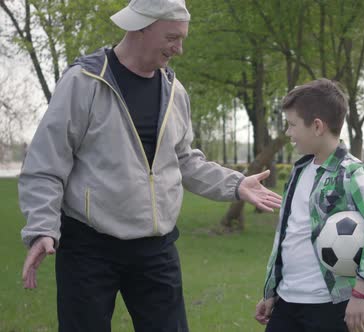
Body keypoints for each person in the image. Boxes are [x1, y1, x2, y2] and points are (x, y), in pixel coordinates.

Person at [18, 0, 282, 331]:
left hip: (155, 250)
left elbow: (185, 160)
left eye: (182, 38)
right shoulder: (84, 81)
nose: (180, 49)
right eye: (173, 37)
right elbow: (45, 163)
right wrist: (42, 227)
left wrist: (235, 185)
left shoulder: (175, 91)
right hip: (88, 247)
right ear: (141, 26)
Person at [254, 79, 364, 332]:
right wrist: (272, 290)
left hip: (329, 306)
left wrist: (361, 292)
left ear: (317, 126)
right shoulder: (298, 172)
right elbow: (289, 237)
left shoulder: (353, 173)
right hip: (286, 303)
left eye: (292, 125)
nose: (288, 133)